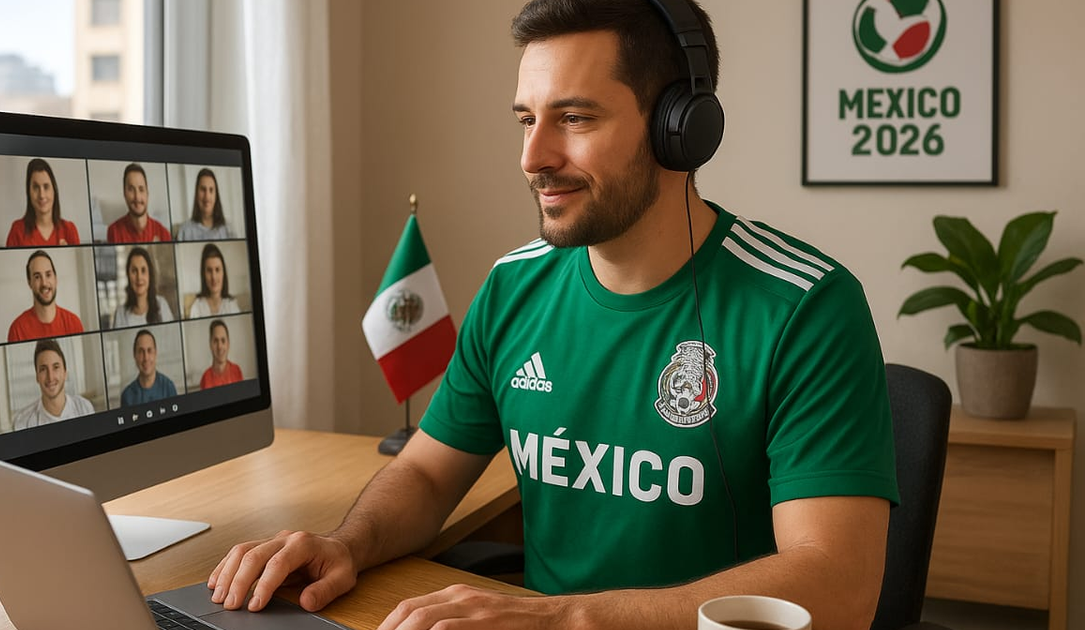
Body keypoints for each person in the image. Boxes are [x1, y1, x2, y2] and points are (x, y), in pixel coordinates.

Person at [207, 2, 898, 629]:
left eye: (574, 118)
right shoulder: (515, 287)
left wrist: (566, 620)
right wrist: (345, 543)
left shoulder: (806, 306)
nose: (532, 158)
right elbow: (423, 475)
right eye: (526, 119)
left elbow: (837, 587)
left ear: (678, 129)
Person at [12, 339, 95, 431]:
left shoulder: (84, 408)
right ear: (37, 377)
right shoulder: (24, 422)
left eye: (56, 367)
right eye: (43, 369)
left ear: (65, 373)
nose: (50, 377)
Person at [7, 250, 85, 342]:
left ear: (55, 279)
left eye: (48, 275)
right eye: (37, 277)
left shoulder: (74, 323)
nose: (44, 283)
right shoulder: (17, 329)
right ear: (29, 283)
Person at [5, 158, 81, 247]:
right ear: (28, 192)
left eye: (46, 187)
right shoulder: (17, 230)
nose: (42, 195)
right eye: (36, 187)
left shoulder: (69, 230)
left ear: (54, 190)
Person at [106, 163, 172, 243]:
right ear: (124, 194)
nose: (137, 197)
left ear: (147, 193)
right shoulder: (114, 231)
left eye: (141, 189)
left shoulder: (164, 233)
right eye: (131, 189)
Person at [112, 247, 174, 328]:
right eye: (134, 271)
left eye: (143, 270)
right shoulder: (120, 313)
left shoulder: (162, 305)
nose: (139, 277)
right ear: (128, 275)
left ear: (149, 274)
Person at [120, 329, 179, 405]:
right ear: (134, 355)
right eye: (141, 351)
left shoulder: (168, 388)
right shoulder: (127, 396)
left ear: (155, 353)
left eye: (149, 350)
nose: (146, 358)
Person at [176, 168, 231, 241]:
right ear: (196, 193)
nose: (207, 196)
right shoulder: (184, 231)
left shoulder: (228, 229)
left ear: (216, 195)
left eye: (211, 190)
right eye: (203, 189)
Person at [188, 243, 240, 318]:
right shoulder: (197, 307)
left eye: (217, 270)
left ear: (223, 273)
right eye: (209, 270)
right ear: (203, 274)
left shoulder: (232, 305)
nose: (214, 277)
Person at [199, 319, 242, 389]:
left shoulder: (237, 371)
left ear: (228, 344)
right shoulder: (205, 378)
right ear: (210, 344)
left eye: (223, 340)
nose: (219, 347)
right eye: (215, 341)